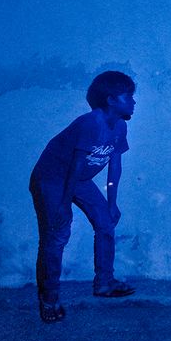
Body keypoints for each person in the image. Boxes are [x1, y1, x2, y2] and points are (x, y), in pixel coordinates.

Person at [29, 71, 137, 323]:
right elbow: (75, 166)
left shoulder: (120, 127)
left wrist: (112, 203)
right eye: (128, 96)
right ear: (111, 100)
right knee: (57, 235)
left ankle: (104, 282)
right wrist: (63, 206)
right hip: (52, 177)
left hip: (78, 179)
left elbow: (114, 168)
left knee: (106, 222)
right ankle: (49, 299)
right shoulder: (91, 123)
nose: (133, 102)